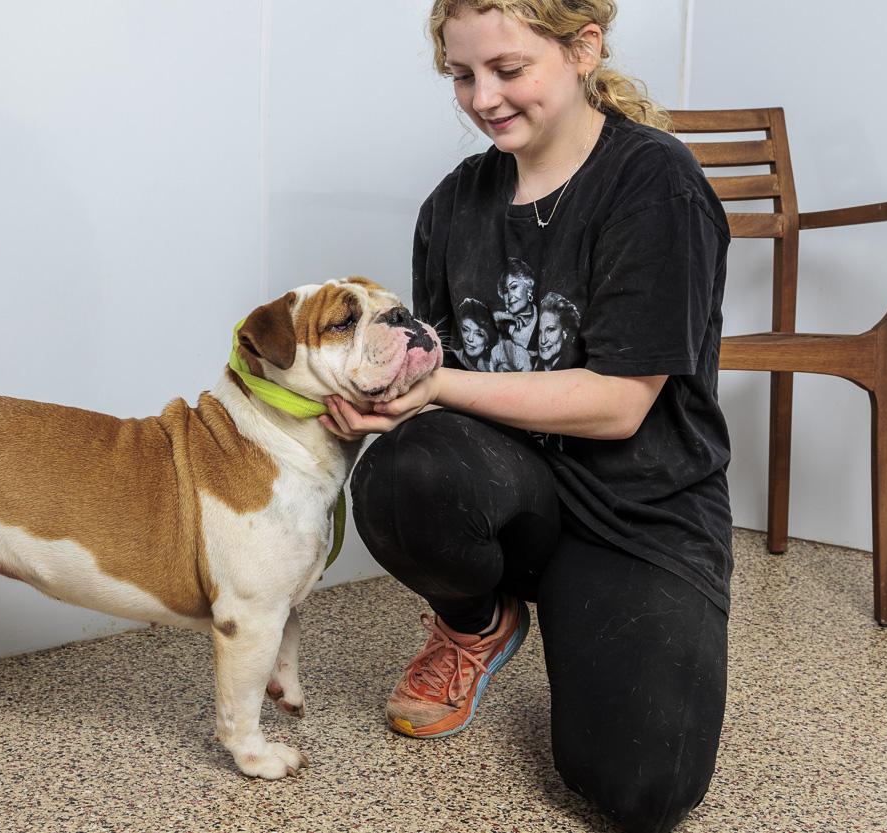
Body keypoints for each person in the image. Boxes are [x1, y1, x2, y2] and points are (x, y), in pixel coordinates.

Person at [319, 2, 732, 832]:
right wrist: (378, 390)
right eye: (462, 75)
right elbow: (439, 374)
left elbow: (618, 405)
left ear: (585, 49)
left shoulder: (656, 184)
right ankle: (478, 621)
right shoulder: (451, 206)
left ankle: (588, 616)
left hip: (641, 510)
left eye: (508, 70)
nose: (483, 97)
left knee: (641, 790)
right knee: (406, 471)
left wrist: (436, 391)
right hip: (515, 487)